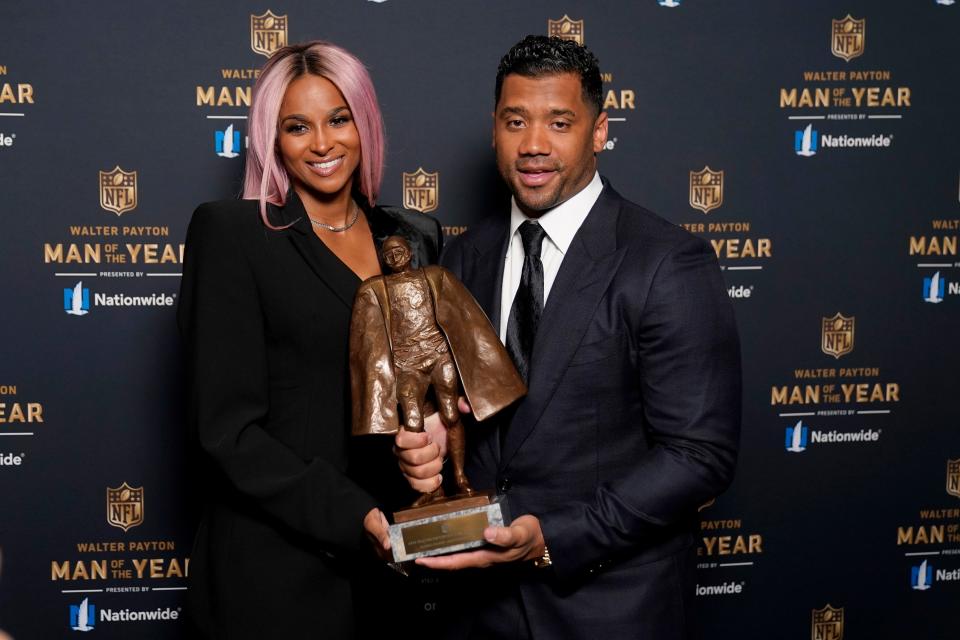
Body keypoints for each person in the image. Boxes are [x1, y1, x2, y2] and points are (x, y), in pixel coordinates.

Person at [395, 35, 742, 639]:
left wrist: (552, 538)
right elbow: (471, 423)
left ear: (600, 130)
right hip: (478, 611)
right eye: (515, 121)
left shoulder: (666, 262)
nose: (534, 145)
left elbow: (699, 457)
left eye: (560, 122)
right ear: (495, 130)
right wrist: (427, 438)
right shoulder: (461, 259)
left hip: (611, 608)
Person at [177, 41, 440, 638]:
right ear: (272, 138)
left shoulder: (414, 236)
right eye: (297, 126)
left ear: (364, 123)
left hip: (391, 573)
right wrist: (355, 514)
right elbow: (226, 432)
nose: (322, 144)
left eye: (339, 119)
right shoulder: (234, 234)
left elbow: (424, 387)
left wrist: (432, 441)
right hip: (273, 576)